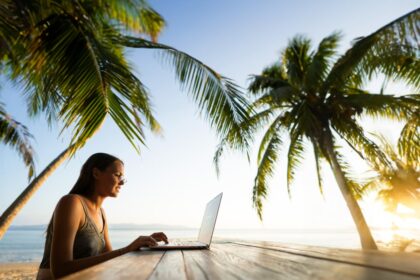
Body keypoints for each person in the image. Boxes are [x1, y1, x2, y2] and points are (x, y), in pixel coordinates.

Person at [36, 153, 168, 279]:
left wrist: (142, 245)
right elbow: (60, 270)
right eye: (117, 175)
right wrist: (127, 249)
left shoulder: (101, 213)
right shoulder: (72, 203)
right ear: (96, 173)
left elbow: (110, 259)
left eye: (123, 178)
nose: (121, 183)